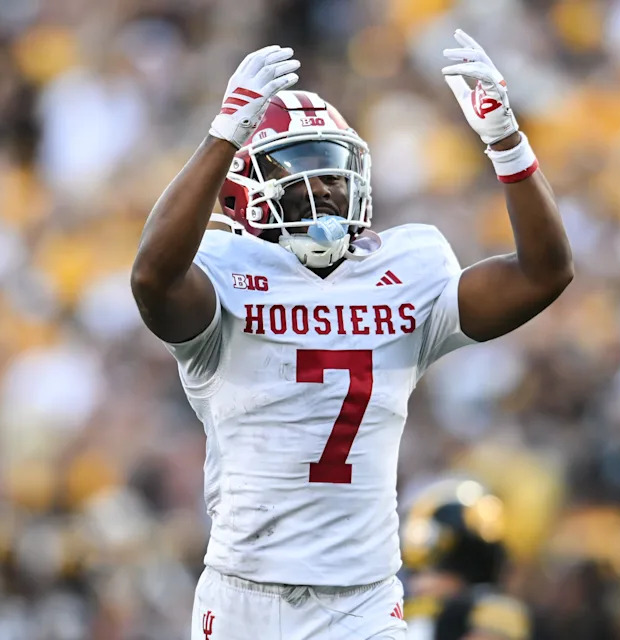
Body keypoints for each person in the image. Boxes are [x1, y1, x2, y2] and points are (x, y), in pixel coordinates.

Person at [130, 29, 573, 640]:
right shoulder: (223, 275)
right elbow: (152, 278)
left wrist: (507, 144)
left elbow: (544, 272)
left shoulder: (406, 270)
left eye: (334, 167)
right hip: (243, 595)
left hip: (362, 602)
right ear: (241, 189)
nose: (330, 185)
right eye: (301, 169)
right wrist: (223, 136)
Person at [399, 478, 513, 640]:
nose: (419, 583)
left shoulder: (493, 615)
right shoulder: (414, 612)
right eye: (418, 573)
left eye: (434, 572)